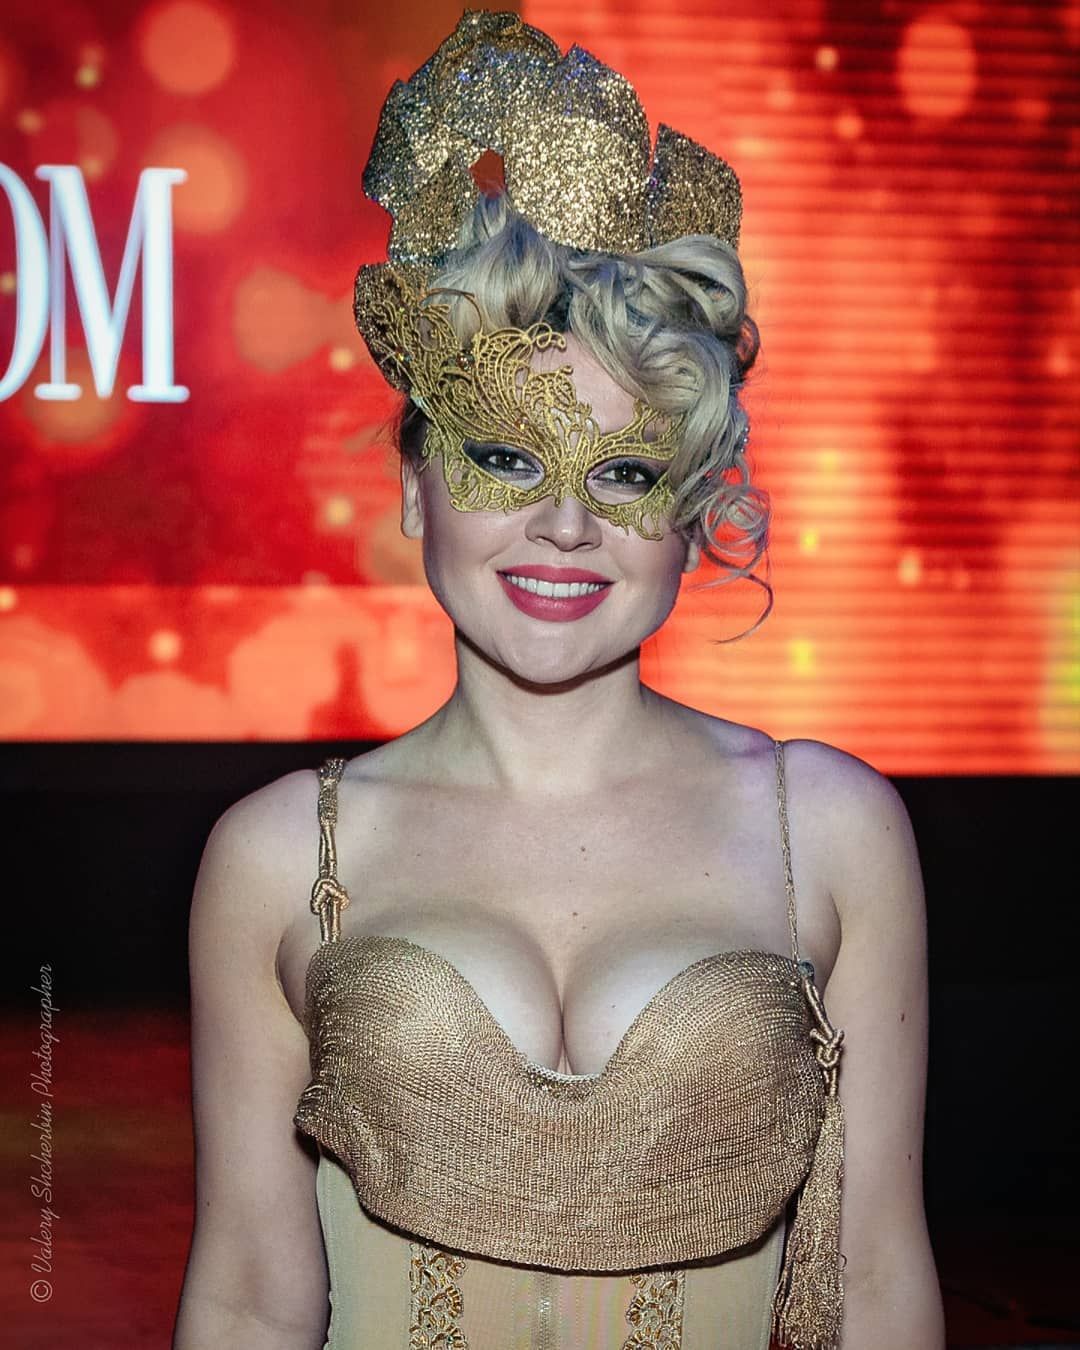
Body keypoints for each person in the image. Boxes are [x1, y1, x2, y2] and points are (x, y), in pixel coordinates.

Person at [173, 13, 944, 1349]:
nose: (568, 526)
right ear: (415, 488)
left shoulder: (827, 829)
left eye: (628, 473)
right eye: (507, 460)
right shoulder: (280, 855)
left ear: (689, 515)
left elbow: (874, 1281)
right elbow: (247, 1296)